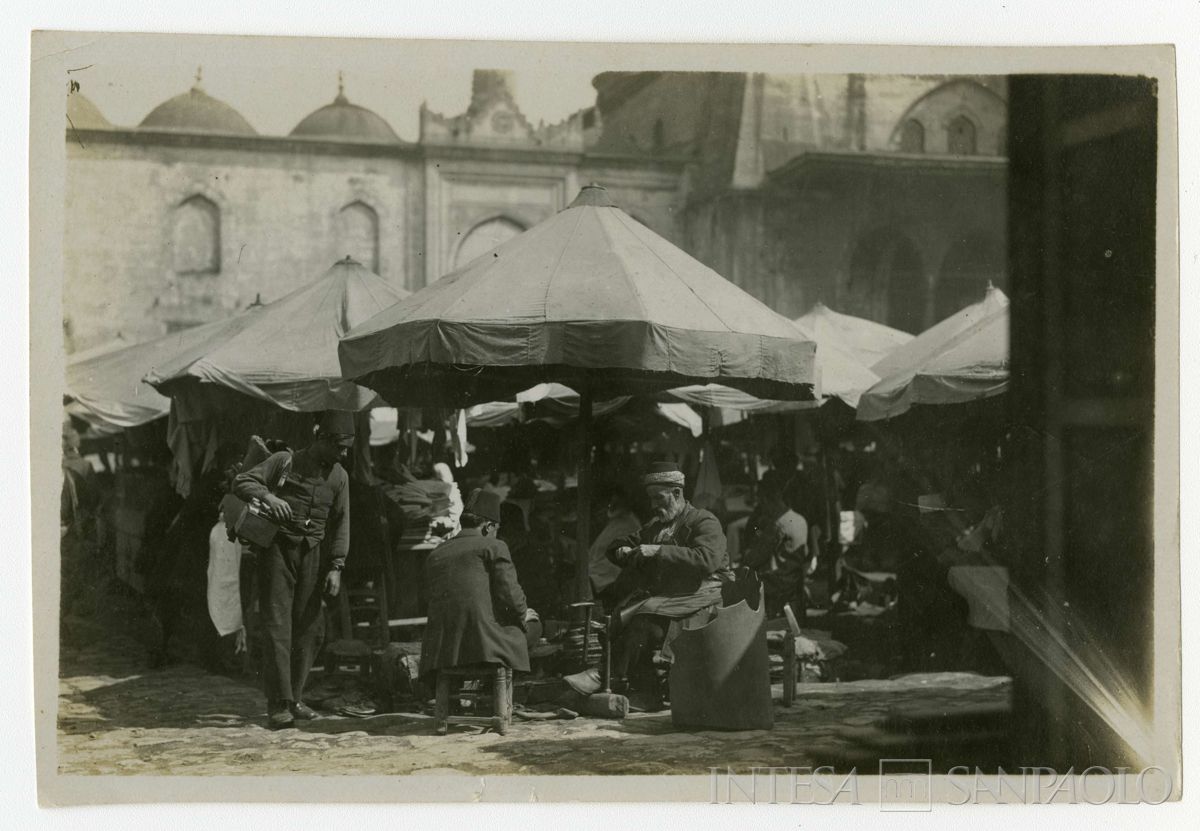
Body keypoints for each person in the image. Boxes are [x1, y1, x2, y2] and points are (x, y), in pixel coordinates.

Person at [566, 461, 732, 711]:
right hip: (674, 600)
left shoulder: (704, 521)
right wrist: (620, 550)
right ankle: (641, 689)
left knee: (642, 623)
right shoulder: (657, 526)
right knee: (624, 616)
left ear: (677, 493)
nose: (654, 505)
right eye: (651, 499)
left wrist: (659, 551)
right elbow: (625, 542)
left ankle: (607, 676)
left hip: (705, 596)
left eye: (659, 498)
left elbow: (706, 560)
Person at [234, 411, 354, 729]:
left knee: (313, 629)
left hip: (313, 554)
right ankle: (278, 704)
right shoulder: (284, 460)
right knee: (277, 626)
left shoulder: (340, 476)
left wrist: (337, 566)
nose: (344, 454)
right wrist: (269, 497)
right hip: (277, 550)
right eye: (340, 447)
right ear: (322, 439)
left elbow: (342, 523)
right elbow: (243, 481)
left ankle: (296, 698)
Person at [420, 489, 538, 684]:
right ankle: (493, 689)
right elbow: (511, 597)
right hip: (484, 647)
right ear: (488, 527)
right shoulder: (494, 546)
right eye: (496, 529)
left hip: (440, 653)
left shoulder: (436, 553)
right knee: (534, 625)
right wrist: (524, 614)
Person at [741, 488, 810, 619]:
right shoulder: (800, 519)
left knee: (739, 579)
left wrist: (746, 554)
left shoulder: (777, 524)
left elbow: (755, 558)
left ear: (768, 501)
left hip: (778, 580)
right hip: (794, 576)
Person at [587, 489, 642, 611]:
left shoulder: (629, 523)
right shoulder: (615, 522)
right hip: (600, 576)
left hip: (612, 579)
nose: (611, 505)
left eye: (615, 502)